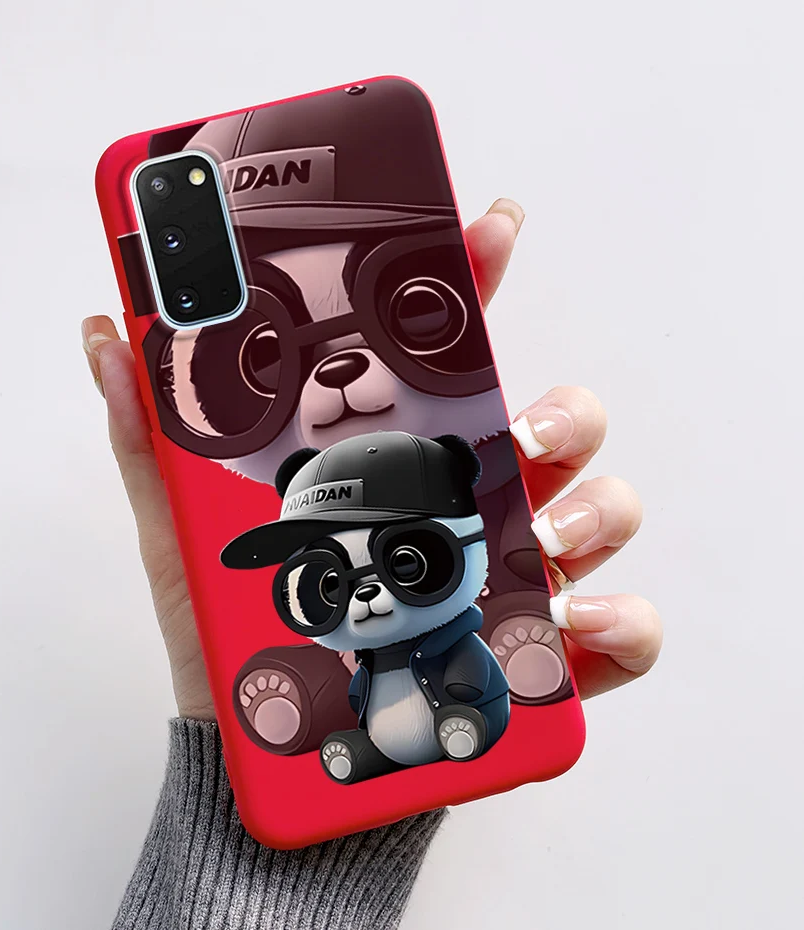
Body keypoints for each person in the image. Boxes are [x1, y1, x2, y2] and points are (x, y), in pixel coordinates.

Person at [81, 198, 663, 930]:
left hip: (458, 707)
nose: (364, 598)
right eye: (326, 583)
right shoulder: (342, 656)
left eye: (406, 559)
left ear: (466, 538)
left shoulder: (452, 608)